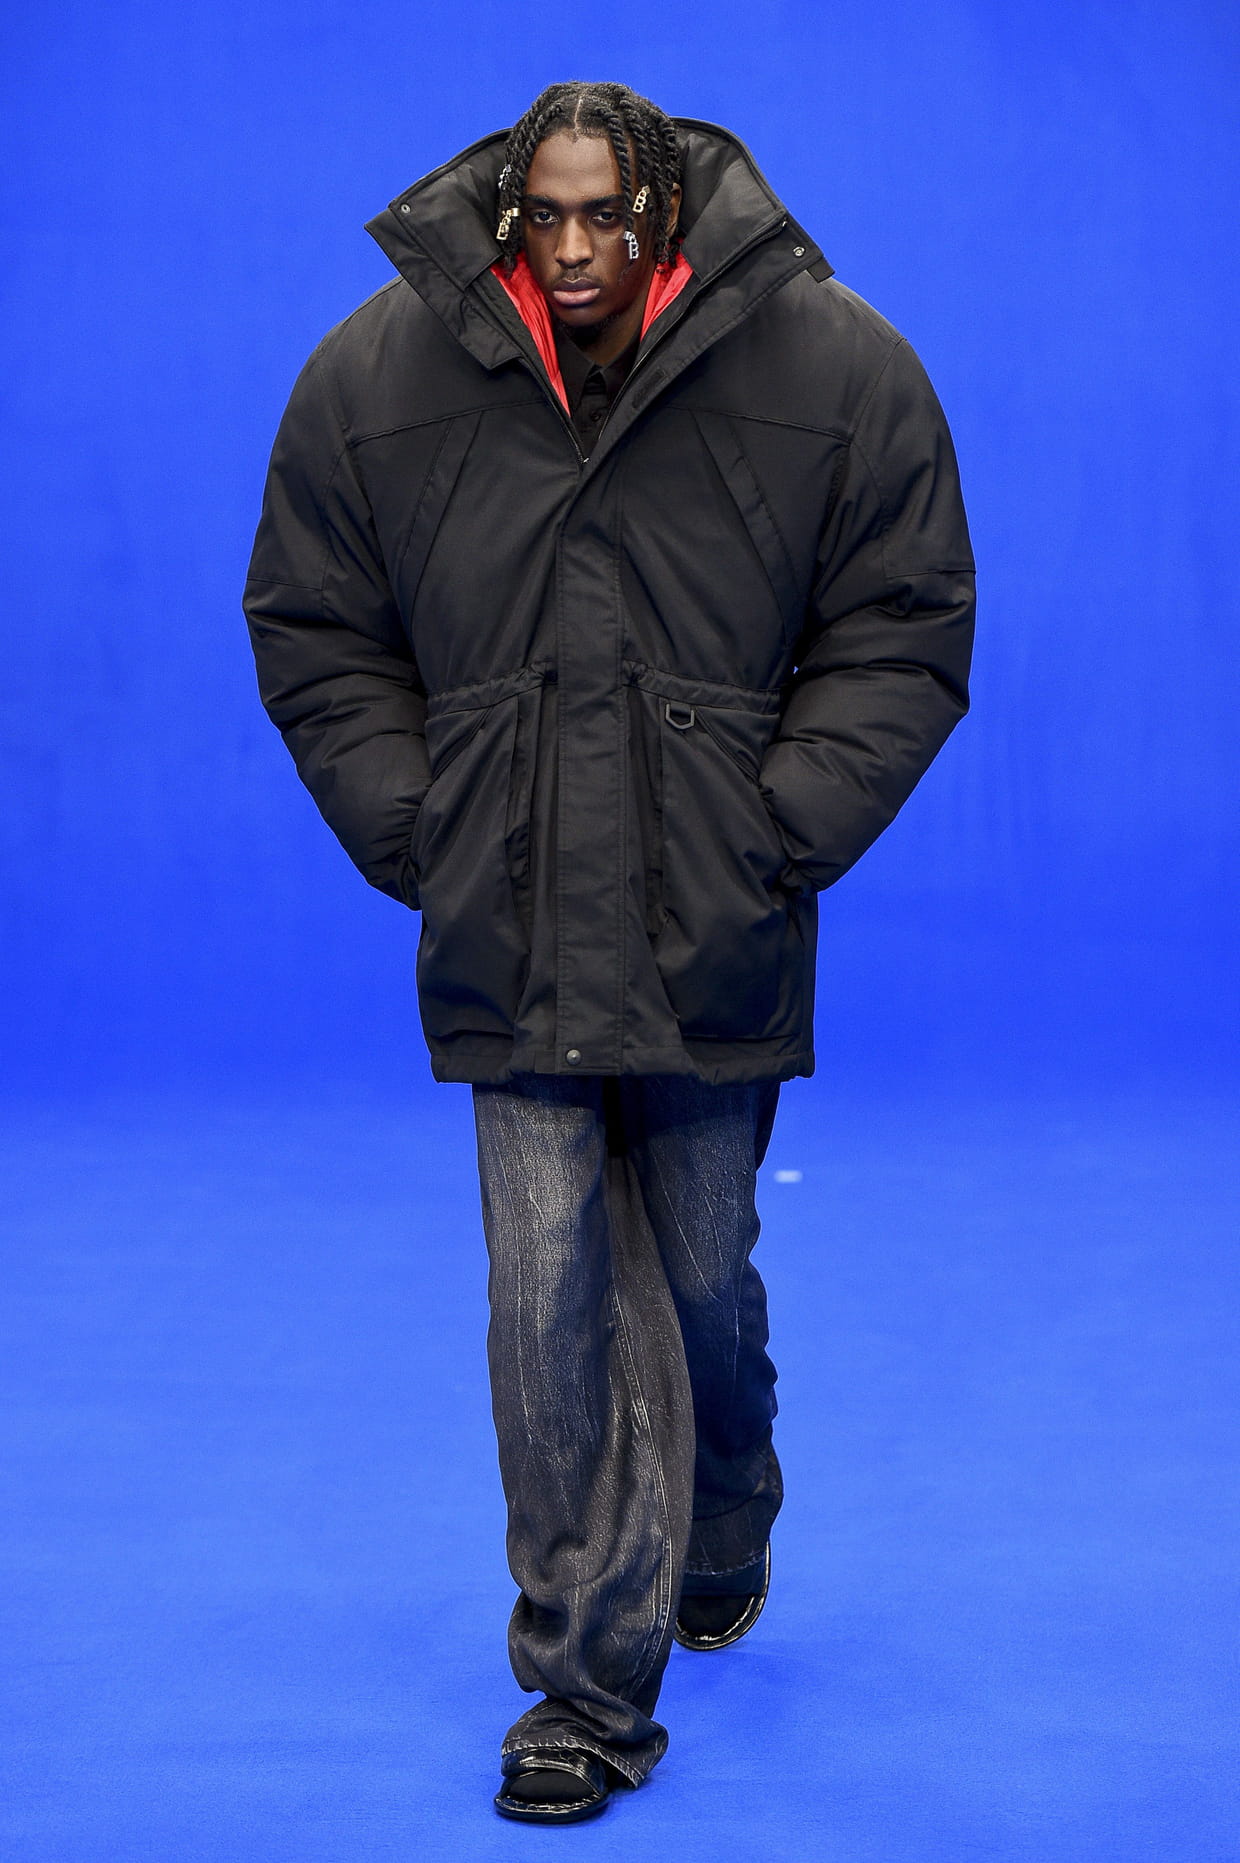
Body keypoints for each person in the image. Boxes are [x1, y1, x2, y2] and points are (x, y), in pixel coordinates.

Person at [243, 79, 975, 1824]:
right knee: (550, 1293)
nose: (573, 249)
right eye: (545, 218)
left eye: (607, 218)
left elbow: (904, 612)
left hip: (716, 911)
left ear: (663, 216)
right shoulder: (377, 371)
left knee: (703, 1270)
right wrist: (426, 830)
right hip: (509, 918)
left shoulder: (832, 360)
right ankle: (582, 1690)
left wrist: (779, 825)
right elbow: (314, 617)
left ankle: (729, 1499)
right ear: (511, 215)